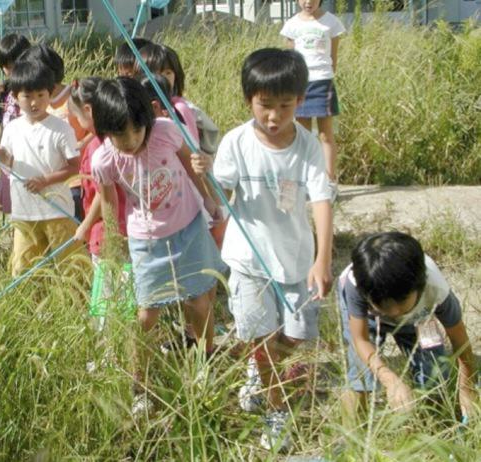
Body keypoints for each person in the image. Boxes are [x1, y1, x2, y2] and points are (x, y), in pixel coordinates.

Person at [207, 48, 333, 452]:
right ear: (249, 101)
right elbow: (218, 200)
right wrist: (201, 174)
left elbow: (320, 201)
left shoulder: (309, 146)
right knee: (263, 342)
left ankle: (258, 368)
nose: (274, 117)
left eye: (285, 105)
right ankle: (276, 408)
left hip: (296, 263)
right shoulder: (236, 142)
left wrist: (323, 259)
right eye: (265, 106)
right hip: (248, 262)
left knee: (295, 337)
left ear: (300, 101)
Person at [90, 77, 225, 416]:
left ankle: (204, 363)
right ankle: (142, 384)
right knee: (146, 314)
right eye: (121, 135)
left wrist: (208, 199)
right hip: (146, 241)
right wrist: (113, 241)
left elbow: (189, 164)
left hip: (189, 227)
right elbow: (108, 203)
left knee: (198, 301)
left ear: (149, 120)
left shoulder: (165, 131)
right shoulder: (105, 160)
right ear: (105, 131)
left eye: (137, 131)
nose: (132, 141)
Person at [338, 232, 477, 421]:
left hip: (419, 319)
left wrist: (467, 386)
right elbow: (360, 340)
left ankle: (435, 422)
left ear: (419, 285)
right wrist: (390, 380)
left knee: (435, 372)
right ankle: (350, 440)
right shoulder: (355, 286)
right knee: (360, 375)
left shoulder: (436, 289)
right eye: (385, 304)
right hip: (369, 319)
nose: (394, 312)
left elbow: (460, 341)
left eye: (401, 302)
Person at [0, 61, 85, 277]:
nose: (34, 102)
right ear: (15, 97)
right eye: (27, 96)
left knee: (71, 267)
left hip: (57, 210)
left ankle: (79, 306)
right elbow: (9, 166)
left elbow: (74, 167)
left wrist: (45, 180)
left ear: (50, 93)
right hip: (24, 213)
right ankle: (33, 308)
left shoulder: (61, 128)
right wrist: (4, 158)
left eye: (41, 95)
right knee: (23, 270)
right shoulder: (12, 128)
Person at [69, 77, 130, 324]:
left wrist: (85, 225)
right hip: (117, 227)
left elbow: (104, 195)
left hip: (107, 231)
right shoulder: (109, 139)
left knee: (108, 292)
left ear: (88, 110)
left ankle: (111, 349)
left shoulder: (99, 148)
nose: (74, 121)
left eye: (75, 115)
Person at [280, 0, 346, 200]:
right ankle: (304, 181)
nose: (308, 2)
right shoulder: (292, 25)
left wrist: (325, 74)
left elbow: (333, 57)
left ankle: (330, 181)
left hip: (323, 81)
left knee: (326, 134)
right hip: (301, 84)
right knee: (303, 134)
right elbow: (291, 58)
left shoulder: (331, 23)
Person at [19, 43, 87, 221]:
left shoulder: (73, 96)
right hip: (47, 183)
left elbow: (95, 130)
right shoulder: (36, 105)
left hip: (76, 179)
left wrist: (80, 144)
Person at [0, 33, 32, 215]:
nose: (7, 71)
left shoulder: (33, 91)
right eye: (4, 66)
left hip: (27, 156)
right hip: (7, 156)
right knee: (13, 212)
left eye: (11, 66)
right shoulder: (5, 91)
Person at [137, 43, 199, 147]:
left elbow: (193, 146)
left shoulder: (180, 109)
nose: (163, 78)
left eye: (168, 72)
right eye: (155, 73)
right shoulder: (136, 107)